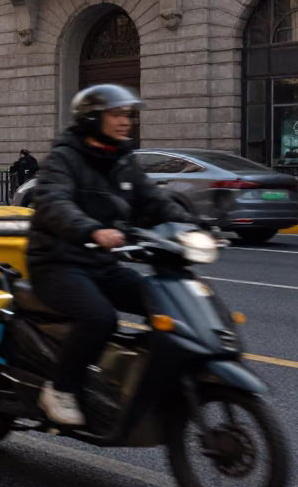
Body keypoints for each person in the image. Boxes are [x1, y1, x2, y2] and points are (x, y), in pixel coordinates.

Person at [27, 85, 192, 426]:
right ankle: (60, 389)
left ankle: (137, 378)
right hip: (57, 264)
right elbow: (54, 202)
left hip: (101, 263)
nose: (126, 122)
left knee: (167, 302)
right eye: (117, 114)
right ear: (92, 118)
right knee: (99, 318)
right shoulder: (64, 157)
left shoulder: (122, 159)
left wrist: (197, 226)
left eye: (128, 115)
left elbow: (154, 200)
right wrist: (91, 229)